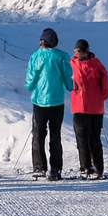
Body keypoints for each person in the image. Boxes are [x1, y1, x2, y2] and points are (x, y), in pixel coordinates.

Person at [24, 27, 73, 180]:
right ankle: (56, 168)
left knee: (38, 134)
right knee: (55, 135)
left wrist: (32, 85)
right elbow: (69, 81)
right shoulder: (63, 56)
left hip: (39, 101)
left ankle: (39, 167)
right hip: (57, 101)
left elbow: (29, 84)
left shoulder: (35, 57)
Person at [70, 38, 108, 179]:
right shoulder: (93, 64)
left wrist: (103, 96)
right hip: (89, 107)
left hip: (86, 107)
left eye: (80, 51)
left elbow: (105, 82)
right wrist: (103, 96)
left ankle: (92, 168)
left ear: (87, 50)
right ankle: (90, 168)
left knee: (90, 139)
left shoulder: (80, 64)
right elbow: (105, 83)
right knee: (88, 139)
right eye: (77, 51)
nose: (78, 54)